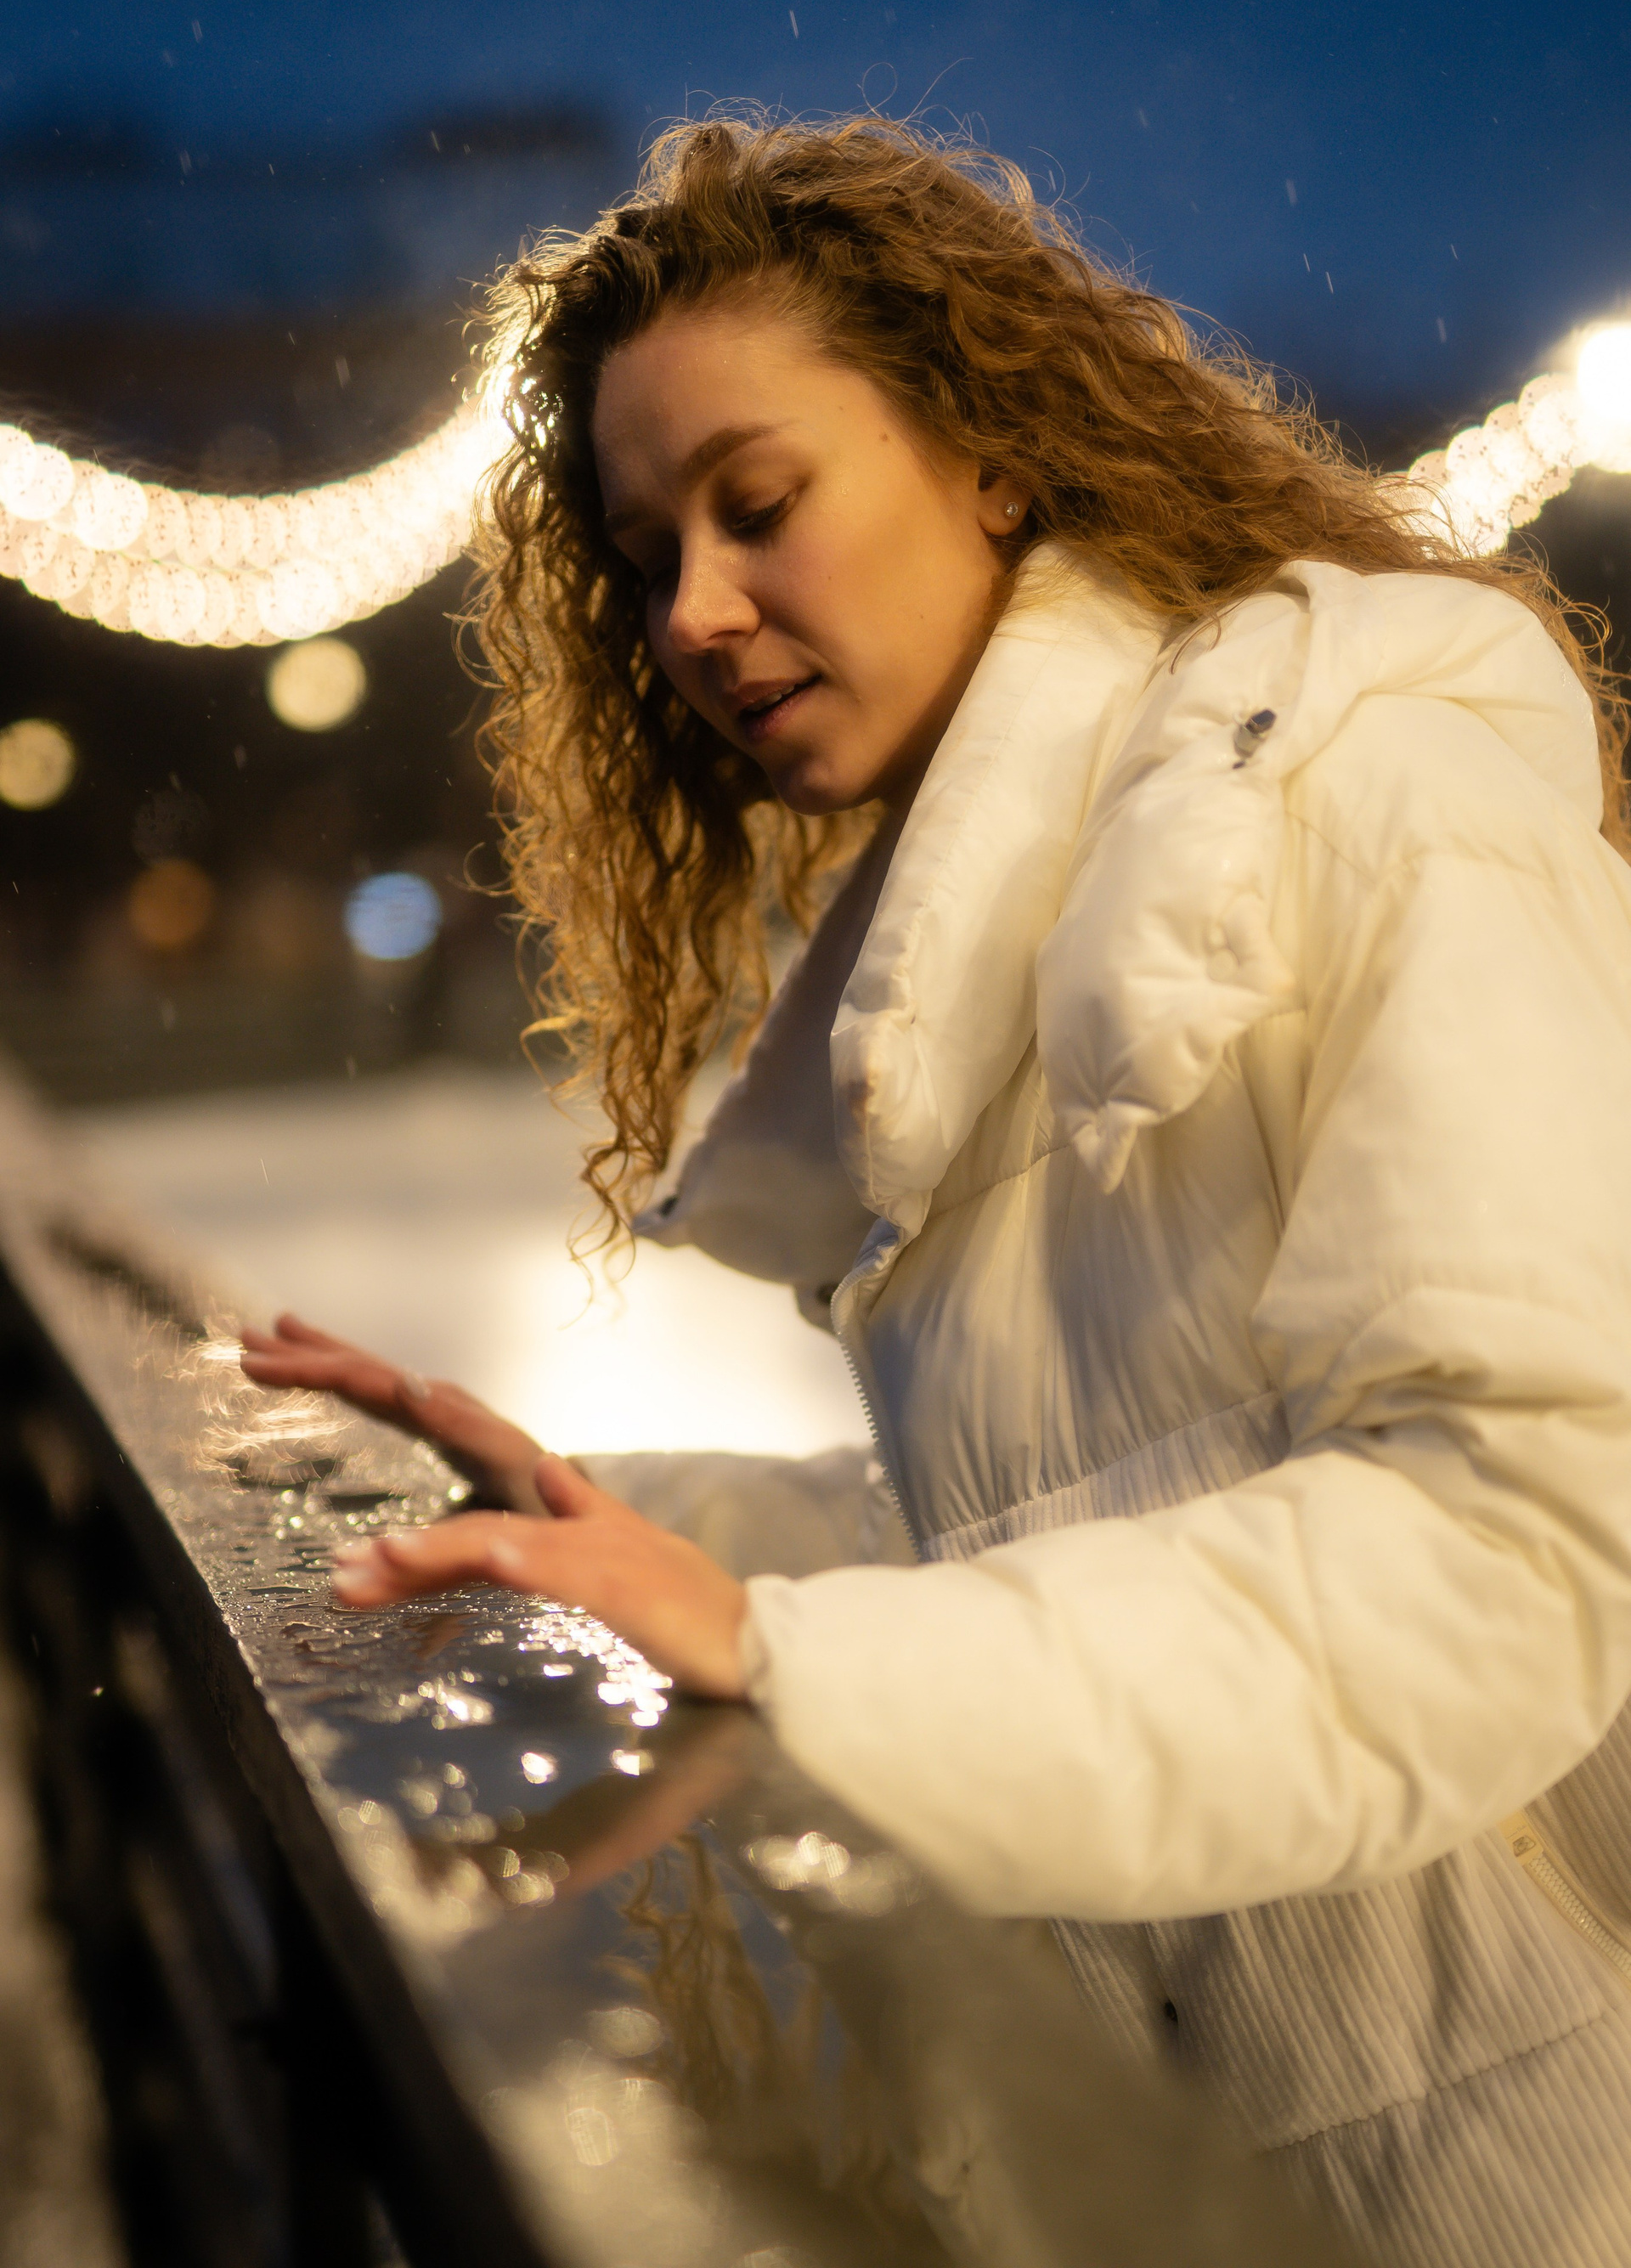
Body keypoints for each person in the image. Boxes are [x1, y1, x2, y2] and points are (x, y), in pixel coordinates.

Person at [240, 116, 1631, 2268]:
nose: (694, 616)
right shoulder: (969, 939)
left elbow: (1505, 1551)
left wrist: (788, 1660)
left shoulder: (1367, 785)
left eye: (758, 504)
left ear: (993, 451)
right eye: (646, 555)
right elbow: (1089, 1513)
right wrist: (626, 1533)